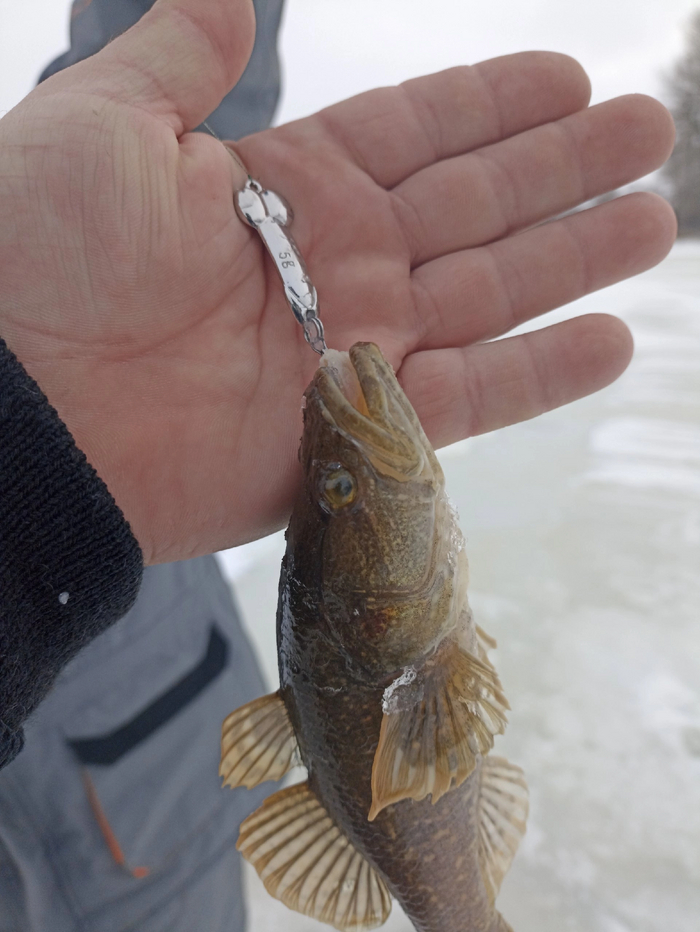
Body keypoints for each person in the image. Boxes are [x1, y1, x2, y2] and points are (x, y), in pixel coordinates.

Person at [0, 0, 676, 928]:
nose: (338, 464)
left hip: (147, 752)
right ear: (380, 609)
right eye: (340, 486)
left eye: (334, 485)